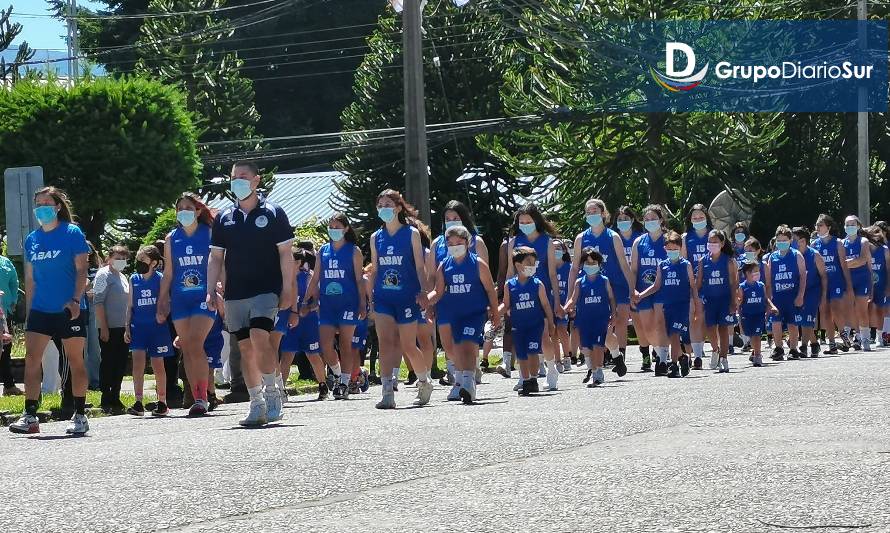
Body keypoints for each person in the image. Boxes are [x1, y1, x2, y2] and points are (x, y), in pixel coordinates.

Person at [208, 161, 295, 426]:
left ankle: (272, 393)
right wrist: (210, 289)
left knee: (260, 336)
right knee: (244, 347)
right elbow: (216, 258)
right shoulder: (224, 217)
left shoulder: (273, 213)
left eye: (243, 177)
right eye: (234, 177)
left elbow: (285, 255)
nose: (237, 182)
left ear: (256, 180)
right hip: (236, 291)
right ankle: (255, 402)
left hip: (266, 289)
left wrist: (289, 289)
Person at [10, 187, 90, 435]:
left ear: (57, 206)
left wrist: (76, 300)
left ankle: (80, 414)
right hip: (41, 309)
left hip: (69, 308)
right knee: (33, 360)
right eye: (37, 203)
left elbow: (81, 270)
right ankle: (30, 415)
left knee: (75, 360)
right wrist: (30, 313)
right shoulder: (32, 239)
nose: (41, 208)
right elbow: (31, 279)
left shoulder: (72, 233)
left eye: (46, 203)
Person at [366, 189, 432, 409]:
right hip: (384, 297)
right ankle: (387, 392)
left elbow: (420, 268)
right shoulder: (376, 237)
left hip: (407, 297)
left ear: (398, 207)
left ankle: (424, 381)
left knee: (408, 345)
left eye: (388, 205)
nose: (384, 209)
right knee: (385, 342)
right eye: (380, 205)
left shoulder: (411, 233)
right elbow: (374, 269)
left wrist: (424, 292)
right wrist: (371, 298)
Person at [158, 193, 217, 417]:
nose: (183, 211)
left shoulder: (209, 233)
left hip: (204, 297)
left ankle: (203, 398)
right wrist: (162, 300)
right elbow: (169, 273)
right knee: (188, 347)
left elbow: (219, 264)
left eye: (188, 207)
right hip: (181, 299)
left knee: (195, 342)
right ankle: (197, 396)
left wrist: (219, 289)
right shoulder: (172, 238)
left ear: (198, 211)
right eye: (180, 208)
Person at [426, 224, 499, 403]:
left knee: (467, 345)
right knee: (454, 348)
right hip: (452, 313)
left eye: (458, 242)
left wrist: (495, 313)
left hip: (473, 313)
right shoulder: (444, 266)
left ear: (467, 243)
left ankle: (468, 383)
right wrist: (426, 300)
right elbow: (438, 291)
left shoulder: (478, 264)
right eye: (450, 243)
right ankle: (461, 381)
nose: (454, 246)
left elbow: (490, 290)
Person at [568, 199, 632, 379]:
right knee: (591, 329)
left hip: (612, 287)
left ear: (603, 214)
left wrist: (632, 289)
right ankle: (611, 359)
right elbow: (574, 268)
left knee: (604, 328)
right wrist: (569, 297)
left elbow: (624, 266)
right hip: (588, 289)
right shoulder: (581, 238)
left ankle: (603, 363)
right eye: (588, 212)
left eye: (595, 211)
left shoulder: (613, 236)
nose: (592, 215)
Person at [306, 213, 366, 400]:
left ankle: (345, 383)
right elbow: (315, 278)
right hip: (327, 305)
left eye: (337, 226)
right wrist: (303, 301)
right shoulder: (323, 250)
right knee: (325, 345)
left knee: (345, 344)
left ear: (346, 228)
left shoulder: (353, 251)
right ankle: (339, 374)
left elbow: (358, 279)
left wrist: (363, 304)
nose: (333, 230)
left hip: (348, 303)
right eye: (331, 227)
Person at [505, 203, 563, 391]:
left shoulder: (546, 241)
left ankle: (551, 369)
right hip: (520, 294)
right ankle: (526, 376)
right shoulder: (514, 242)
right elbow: (509, 270)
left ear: (536, 221)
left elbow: (553, 273)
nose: (525, 224)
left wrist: (557, 301)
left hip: (541, 292)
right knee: (521, 338)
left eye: (528, 221)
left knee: (544, 336)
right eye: (521, 222)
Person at [430, 200, 489, 385]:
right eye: (447, 219)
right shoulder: (437, 244)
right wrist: (429, 300)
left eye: (455, 218)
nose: (451, 222)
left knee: (466, 342)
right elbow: (430, 275)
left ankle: (463, 379)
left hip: (470, 302)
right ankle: (461, 372)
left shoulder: (476, 242)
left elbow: (484, 275)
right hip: (445, 302)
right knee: (448, 345)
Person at [635, 231, 699, 376]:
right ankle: (682, 357)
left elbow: (693, 286)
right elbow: (656, 286)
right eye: (669, 249)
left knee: (676, 334)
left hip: (681, 305)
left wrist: (696, 305)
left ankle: (674, 365)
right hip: (667, 305)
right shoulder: (662, 265)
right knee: (670, 335)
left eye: (675, 249)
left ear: (680, 249)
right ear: (665, 249)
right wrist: (641, 295)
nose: (672, 252)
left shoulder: (686, 265)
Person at [501, 246, 556, 395]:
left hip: (535, 325)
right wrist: (495, 314)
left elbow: (545, 305)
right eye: (529, 263)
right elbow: (506, 304)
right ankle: (525, 380)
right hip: (518, 326)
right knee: (521, 355)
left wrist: (550, 323)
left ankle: (533, 379)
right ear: (518, 265)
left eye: (534, 262)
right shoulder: (509, 285)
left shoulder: (538, 284)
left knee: (532, 352)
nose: (533, 266)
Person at [125, 245, 173, 417]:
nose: (139, 263)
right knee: (137, 364)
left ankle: (162, 402)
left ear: (153, 262)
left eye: (143, 260)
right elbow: (130, 306)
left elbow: (167, 301)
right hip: (139, 327)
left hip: (157, 328)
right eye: (138, 260)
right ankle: (138, 402)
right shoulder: (134, 279)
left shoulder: (160, 279)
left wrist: (163, 314)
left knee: (158, 365)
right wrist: (127, 327)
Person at [565, 247, 616, 387]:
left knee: (598, 346)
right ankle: (592, 369)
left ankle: (598, 373)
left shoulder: (604, 280)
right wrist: (564, 309)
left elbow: (611, 298)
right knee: (586, 348)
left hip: (600, 319)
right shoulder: (579, 282)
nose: (590, 266)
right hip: (584, 320)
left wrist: (614, 314)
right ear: (582, 265)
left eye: (594, 263)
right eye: (587, 263)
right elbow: (573, 300)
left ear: (599, 264)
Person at [279, 249, 326, 400]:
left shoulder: (308, 277)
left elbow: (318, 299)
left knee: (313, 354)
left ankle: (323, 385)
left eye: (293, 261)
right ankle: (281, 389)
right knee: (287, 355)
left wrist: (308, 307)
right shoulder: (283, 278)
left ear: (299, 263)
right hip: (290, 321)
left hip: (308, 322)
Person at [630, 204, 668, 373]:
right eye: (646, 219)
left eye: (653, 218)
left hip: (664, 290)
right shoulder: (639, 242)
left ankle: (663, 359)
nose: (650, 221)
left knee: (660, 324)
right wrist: (633, 290)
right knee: (648, 328)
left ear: (661, 220)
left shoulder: (669, 239)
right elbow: (634, 269)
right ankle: (660, 353)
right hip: (643, 291)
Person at [95, 244, 132, 413]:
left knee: (120, 363)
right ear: (109, 258)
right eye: (117, 258)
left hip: (123, 328)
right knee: (108, 362)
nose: (121, 261)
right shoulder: (103, 275)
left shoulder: (122, 276)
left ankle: (116, 395)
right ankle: (106, 396)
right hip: (109, 327)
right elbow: (98, 301)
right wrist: (103, 327)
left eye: (124, 259)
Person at [695, 230, 738, 370]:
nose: (712, 245)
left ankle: (724, 358)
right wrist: (696, 300)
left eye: (715, 242)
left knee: (724, 328)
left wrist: (733, 302)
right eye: (710, 242)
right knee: (710, 327)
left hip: (724, 300)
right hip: (709, 300)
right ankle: (715, 350)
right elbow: (698, 283)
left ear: (722, 243)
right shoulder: (703, 261)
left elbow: (733, 284)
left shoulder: (729, 261)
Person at [812, 214, 855, 354]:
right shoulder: (814, 244)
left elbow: (844, 266)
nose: (818, 228)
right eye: (817, 225)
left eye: (821, 225)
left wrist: (849, 287)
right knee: (825, 313)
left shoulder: (838, 243)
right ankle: (832, 345)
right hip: (821, 284)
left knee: (836, 308)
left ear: (828, 227)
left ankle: (843, 334)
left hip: (836, 281)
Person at [764, 225, 807, 360]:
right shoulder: (772, 257)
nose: (781, 243)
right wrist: (769, 300)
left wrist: (800, 295)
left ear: (790, 241)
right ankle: (778, 348)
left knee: (792, 324)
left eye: (784, 240)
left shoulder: (796, 255)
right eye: (779, 240)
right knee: (775, 323)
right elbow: (769, 280)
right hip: (777, 296)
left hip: (792, 296)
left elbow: (803, 276)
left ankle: (793, 349)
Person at [614, 206, 649, 371]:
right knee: (620, 320)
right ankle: (621, 357)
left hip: (638, 284)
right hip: (619, 284)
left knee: (640, 321)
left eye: (626, 218)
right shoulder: (614, 238)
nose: (623, 222)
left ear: (633, 220)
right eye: (620, 219)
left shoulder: (640, 238)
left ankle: (647, 353)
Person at [682, 204, 711, 370]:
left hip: (713, 283)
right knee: (695, 319)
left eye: (701, 216)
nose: (698, 219)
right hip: (694, 284)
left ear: (706, 217)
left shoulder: (713, 235)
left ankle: (717, 351)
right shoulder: (686, 237)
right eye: (695, 217)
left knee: (708, 321)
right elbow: (685, 261)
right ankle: (697, 357)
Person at [792, 227, 827, 357]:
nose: (792, 242)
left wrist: (823, 296)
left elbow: (823, 276)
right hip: (798, 290)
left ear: (803, 240)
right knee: (802, 319)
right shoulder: (792, 255)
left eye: (794, 239)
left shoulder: (815, 255)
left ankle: (803, 346)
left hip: (813, 290)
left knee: (807, 318)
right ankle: (814, 344)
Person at [737, 262, 778, 367]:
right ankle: (755, 352)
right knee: (751, 335)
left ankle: (758, 356)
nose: (757, 273)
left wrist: (772, 306)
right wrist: (739, 313)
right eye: (754, 271)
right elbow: (739, 302)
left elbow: (765, 298)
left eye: (758, 271)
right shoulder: (742, 287)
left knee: (757, 335)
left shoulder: (761, 285)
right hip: (747, 315)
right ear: (747, 273)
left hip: (758, 314)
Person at [843, 215, 873, 351]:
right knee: (849, 310)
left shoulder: (864, 241)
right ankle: (856, 337)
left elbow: (861, 260)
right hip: (847, 280)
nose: (850, 227)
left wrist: (846, 263)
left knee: (861, 310)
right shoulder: (841, 243)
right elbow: (843, 264)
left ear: (858, 226)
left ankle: (865, 339)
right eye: (847, 224)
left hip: (862, 279)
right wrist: (851, 263)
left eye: (852, 224)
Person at [866, 225, 890, 346]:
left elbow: (889, 269)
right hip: (869, 285)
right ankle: (870, 334)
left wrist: (888, 286)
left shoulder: (885, 249)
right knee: (868, 309)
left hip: (882, 284)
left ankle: (881, 337)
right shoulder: (866, 250)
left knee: (881, 310)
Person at [0, 250, 20, 396]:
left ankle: (9, 385)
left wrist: (13, 300)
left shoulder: (6, 262)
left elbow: (14, 282)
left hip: (4, 311)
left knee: (5, 349)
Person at [553, 239, 573, 372]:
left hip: (564, 304)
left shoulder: (569, 268)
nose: (556, 251)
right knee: (552, 333)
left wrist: (570, 305)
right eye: (553, 248)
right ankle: (556, 360)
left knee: (562, 330)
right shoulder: (548, 268)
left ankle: (567, 357)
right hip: (550, 304)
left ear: (564, 250)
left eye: (558, 248)